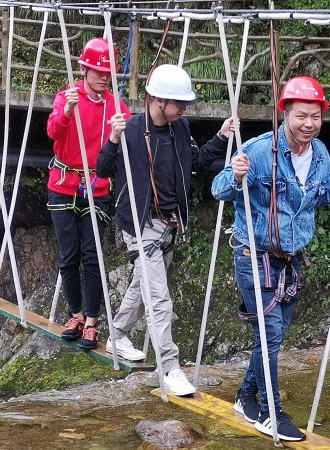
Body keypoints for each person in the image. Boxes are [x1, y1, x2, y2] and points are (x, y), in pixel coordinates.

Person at [211, 76, 330, 441]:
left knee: (274, 335)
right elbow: (217, 189)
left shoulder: (321, 155)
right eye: (302, 116)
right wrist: (236, 177)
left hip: (290, 260)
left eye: (315, 117)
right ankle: (271, 413)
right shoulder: (258, 150)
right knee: (269, 335)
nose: (309, 124)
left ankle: (244, 396)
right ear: (285, 113)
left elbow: (321, 195)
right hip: (253, 255)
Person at [97, 64, 234, 396]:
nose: (184, 108)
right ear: (158, 100)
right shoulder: (129, 129)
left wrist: (220, 138)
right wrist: (113, 139)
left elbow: (196, 163)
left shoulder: (179, 127)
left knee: (141, 284)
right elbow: (101, 169)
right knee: (159, 299)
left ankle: (116, 334)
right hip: (141, 224)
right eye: (178, 103)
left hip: (169, 223)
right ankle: (169, 367)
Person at [47, 38, 131, 350]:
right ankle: (76, 315)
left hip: (97, 188)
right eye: (97, 71)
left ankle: (93, 322)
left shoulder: (114, 104)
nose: (103, 76)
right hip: (63, 185)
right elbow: (53, 132)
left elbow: (134, 132)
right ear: (84, 69)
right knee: (68, 257)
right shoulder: (66, 97)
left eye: (106, 71)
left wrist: (121, 131)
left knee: (92, 257)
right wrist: (67, 110)